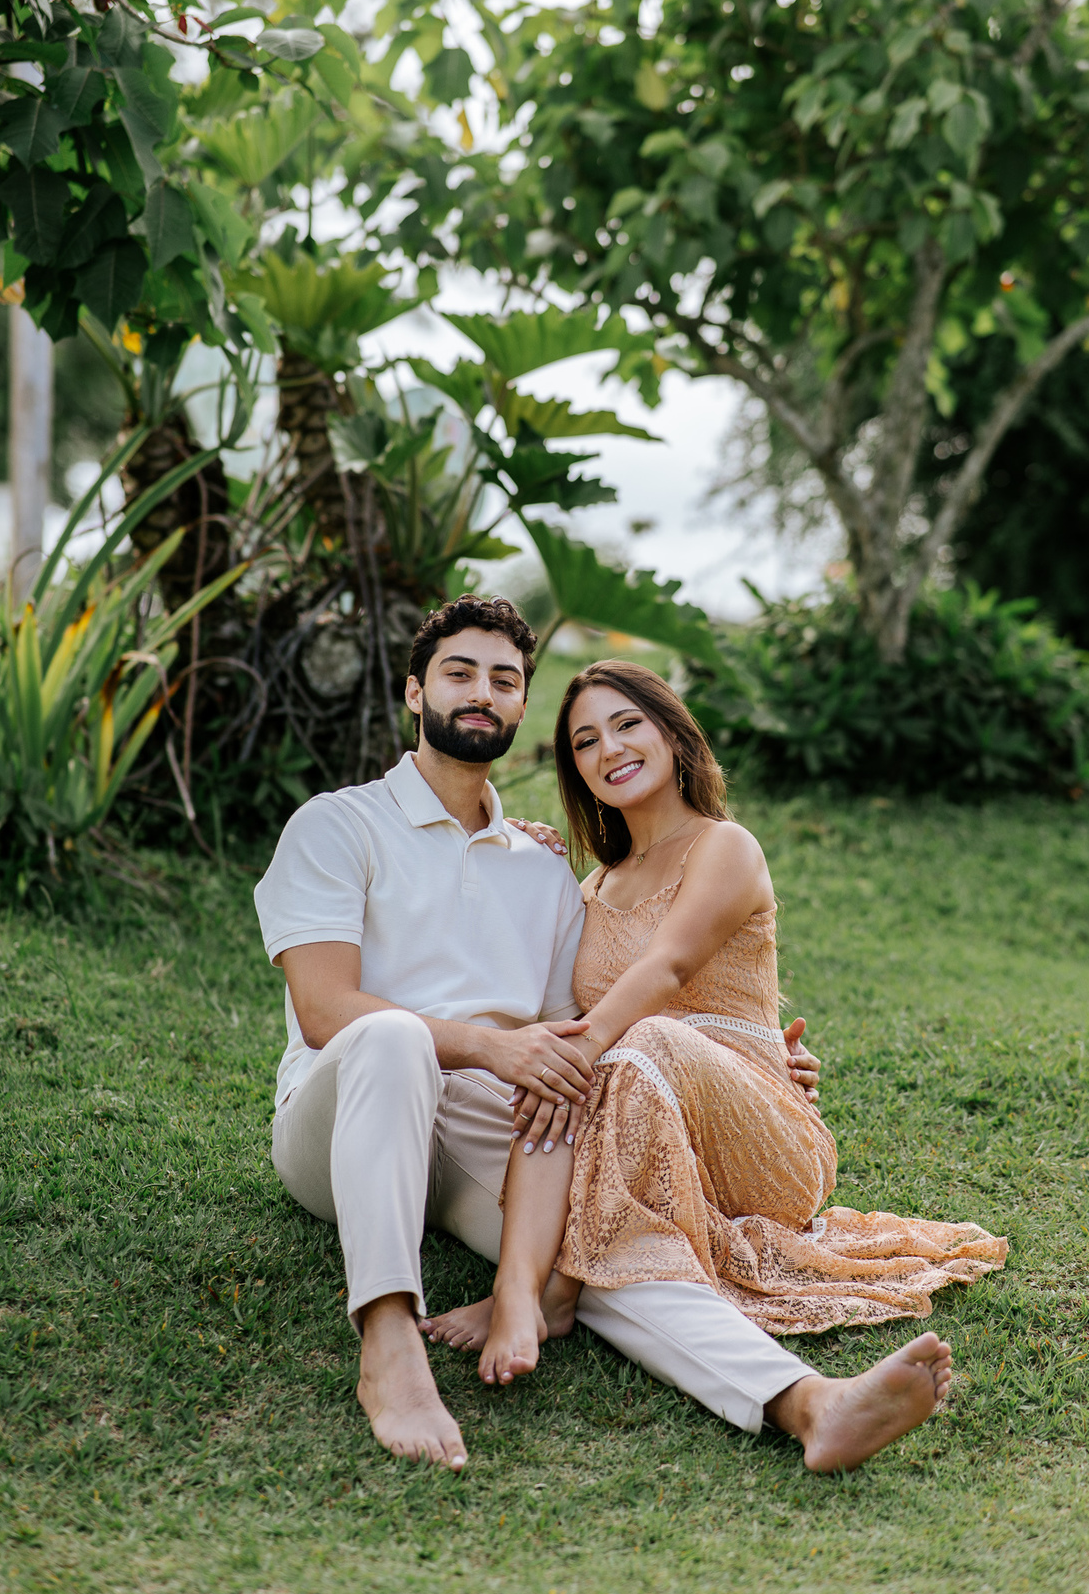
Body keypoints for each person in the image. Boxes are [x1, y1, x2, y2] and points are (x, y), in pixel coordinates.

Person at [254, 596, 996, 1476]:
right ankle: (389, 1346)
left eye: (504, 680)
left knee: (607, 1235)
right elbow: (326, 1011)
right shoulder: (338, 824)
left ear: (521, 705)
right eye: (459, 673)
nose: (482, 692)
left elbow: (593, 1018)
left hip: (490, 1116)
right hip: (347, 1119)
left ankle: (805, 1402)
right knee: (392, 1040)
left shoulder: (545, 872)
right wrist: (494, 1047)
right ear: (416, 693)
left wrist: (757, 1057)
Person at [427, 659, 1007, 1428]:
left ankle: (552, 1293)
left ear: (672, 734)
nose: (609, 749)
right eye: (586, 741)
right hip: (652, 1123)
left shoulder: (725, 846)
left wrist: (583, 1050)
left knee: (625, 1042)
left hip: (763, 1138)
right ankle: (533, 1288)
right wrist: (526, 856)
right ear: (576, 769)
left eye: (627, 725)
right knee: (581, 1058)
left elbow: (668, 969)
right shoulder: (591, 888)